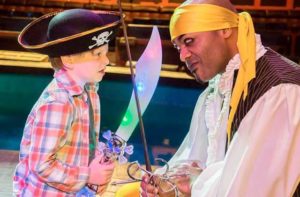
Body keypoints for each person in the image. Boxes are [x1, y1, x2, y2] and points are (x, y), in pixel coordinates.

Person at [140, 0, 300, 196]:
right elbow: (194, 160)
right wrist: (167, 181)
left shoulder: (281, 90)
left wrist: (193, 185)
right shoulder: (217, 88)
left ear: (225, 30)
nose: (182, 55)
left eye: (189, 41)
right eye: (177, 46)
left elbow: (251, 189)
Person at [13, 9, 121, 196]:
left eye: (105, 53)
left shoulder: (89, 90)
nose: (106, 61)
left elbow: (83, 142)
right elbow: (42, 165)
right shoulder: (59, 103)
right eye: (97, 54)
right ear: (68, 59)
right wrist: (88, 175)